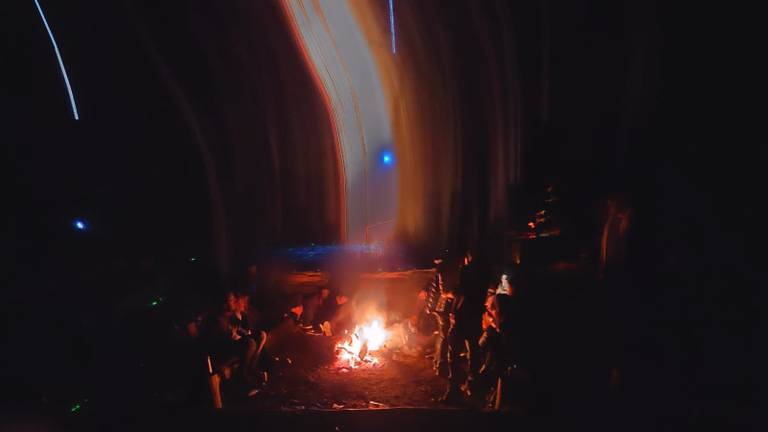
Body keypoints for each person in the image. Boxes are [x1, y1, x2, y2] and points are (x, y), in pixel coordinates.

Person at [441, 250, 487, 403]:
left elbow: (460, 292)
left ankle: (454, 390)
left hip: (462, 319)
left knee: (454, 356)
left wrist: (448, 293)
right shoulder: (485, 273)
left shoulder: (467, 270)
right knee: (473, 354)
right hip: (475, 319)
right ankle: (473, 388)